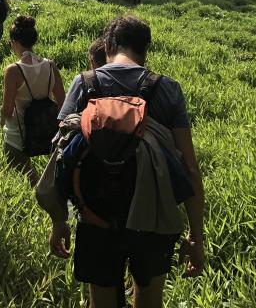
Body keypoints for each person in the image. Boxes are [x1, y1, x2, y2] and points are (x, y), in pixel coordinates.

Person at [40, 16, 205, 308]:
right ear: (146, 50)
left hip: (94, 215)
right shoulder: (166, 88)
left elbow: (60, 154)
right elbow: (190, 168)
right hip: (154, 215)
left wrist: (58, 220)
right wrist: (196, 236)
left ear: (107, 46)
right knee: (150, 299)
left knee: (101, 301)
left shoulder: (84, 83)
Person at [0, 15, 65, 185]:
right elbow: (62, 102)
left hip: (18, 132)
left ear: (14, 41)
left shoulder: (13, 70)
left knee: (23, 172)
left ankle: (40, 195)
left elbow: (7, 110)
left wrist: (2, 125)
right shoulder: (51, 66)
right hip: (45, 130)